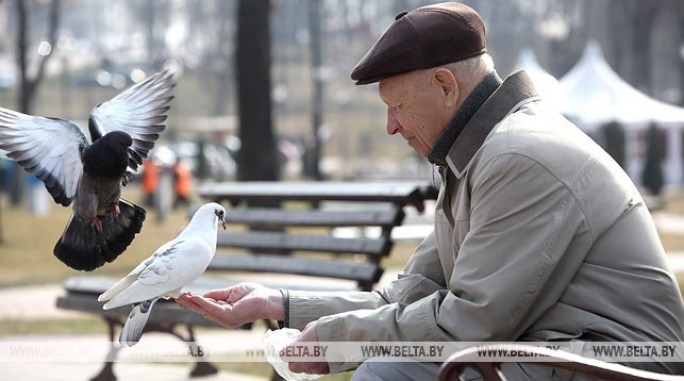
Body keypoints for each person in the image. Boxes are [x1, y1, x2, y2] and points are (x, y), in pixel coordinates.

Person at [178, 2, 684, 380]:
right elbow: (406, 297)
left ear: (445, 86)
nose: (390, 128)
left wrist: (332, 342)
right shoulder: (478, 156)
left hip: (616, 366)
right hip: (560, 355)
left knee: (391, 371)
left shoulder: (516, 158)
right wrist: (279, 304)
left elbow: (466, 324)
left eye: (397, 106)